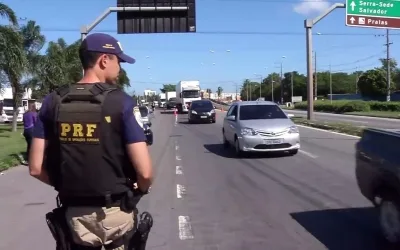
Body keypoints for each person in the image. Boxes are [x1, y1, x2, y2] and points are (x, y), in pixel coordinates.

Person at [28, 33, 153, 250]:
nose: (120, 68)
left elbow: (35, 168)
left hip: (74, 216)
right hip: (117, 213)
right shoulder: (121, 102)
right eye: (118, 61)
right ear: (104, 60)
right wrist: (139, 190)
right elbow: (145, 173)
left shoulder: (52, 101)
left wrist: (66, 186)